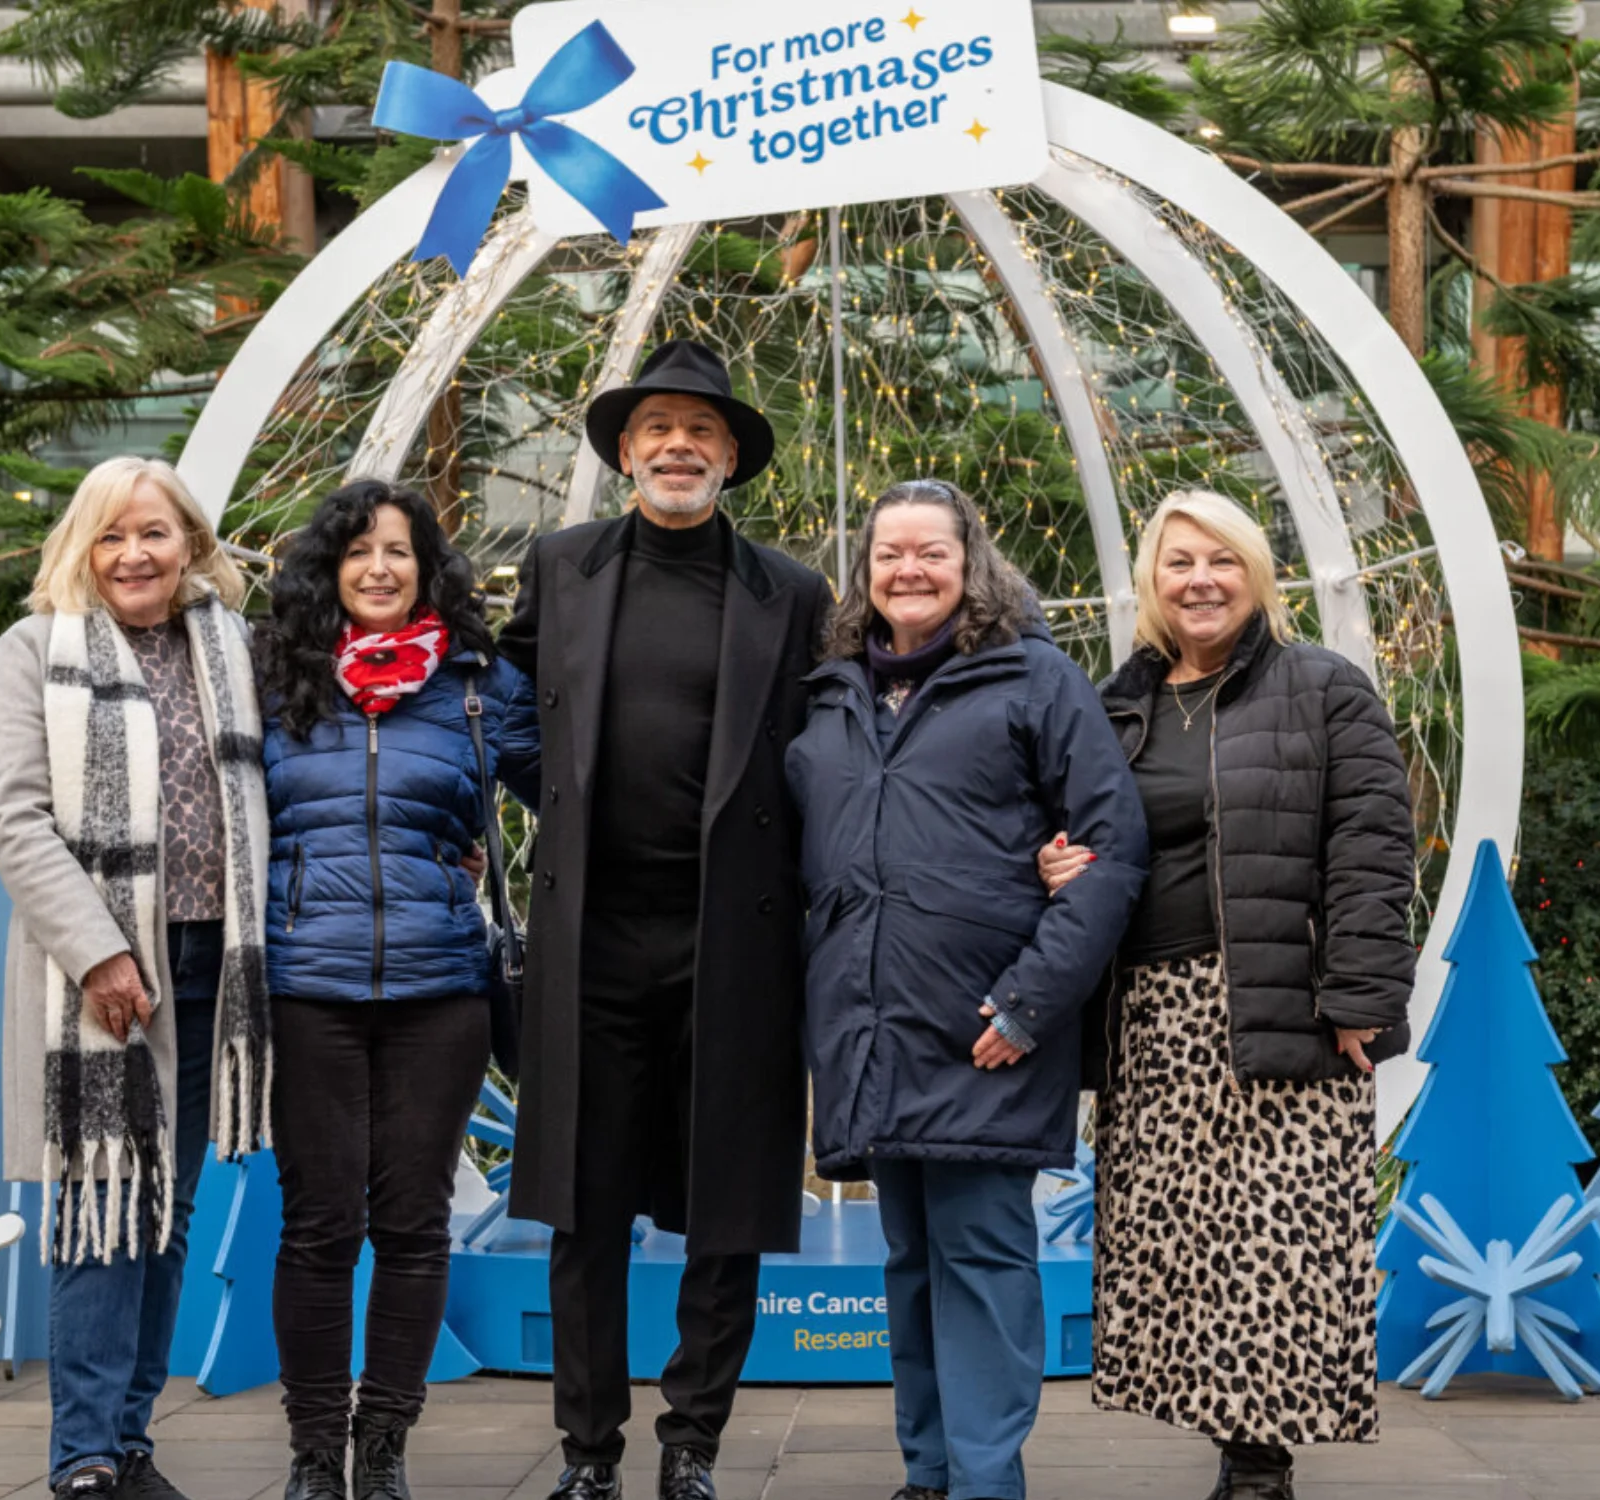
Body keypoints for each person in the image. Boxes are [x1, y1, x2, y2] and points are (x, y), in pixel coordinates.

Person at [496, 338, 834, 1500]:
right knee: (581, 1210)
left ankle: (690, 1445)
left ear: (730, 456)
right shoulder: (562, 565)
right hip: (587, 944)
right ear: (625, 451)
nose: (677, 445)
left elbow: (827, 749)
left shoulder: (789, 593)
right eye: (656, 429)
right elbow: (505, 700)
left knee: (728, 1208)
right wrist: (555, 792)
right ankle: (588, 1455)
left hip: (732, 945)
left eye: (700, 429)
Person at [1038, 490, 1416, 1500]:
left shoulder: (1321, 689)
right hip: (1151, 1018)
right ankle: (1230, 1441)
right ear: (1151, 587)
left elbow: (1372, 855)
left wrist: (1361, 997)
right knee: (1185, 1245)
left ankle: (1259, 1466)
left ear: (1255, 575)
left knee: (1274, 1239)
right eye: (1176, 564)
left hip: (1281, 1004)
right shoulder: (1116, 704)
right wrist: (1057, 863)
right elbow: (1084, 834)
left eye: (1219, 560)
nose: (1197, 579)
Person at [788, 480, 1149, 1500]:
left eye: (929, 553)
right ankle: (930, 1472)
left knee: (981, 1261)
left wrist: (1028, 1002)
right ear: (864, 572)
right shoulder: (832, 692)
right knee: (907, 1262)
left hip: (985, 1028)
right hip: (865, 1028)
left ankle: (987, 1480)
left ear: (970, 563)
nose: (908, 570)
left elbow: (1111, 853)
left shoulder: (1034, 680)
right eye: (887, 553)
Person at [0, 456, 274, 1500]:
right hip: (96, 977)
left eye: (153, 532)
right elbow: (13, 819)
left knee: (168, 1214)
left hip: (213, 970)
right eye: (111, 536)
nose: (134, 554)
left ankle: (132, 1439)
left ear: (190, 542)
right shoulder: (33, 651)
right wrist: (99, 950)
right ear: (81, 548)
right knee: (102, 1211)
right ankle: (85, 1460)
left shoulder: (233, 648)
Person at [255, 480, 539, 1500]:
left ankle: (383, 1450)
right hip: (307, 985)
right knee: (318, 1226)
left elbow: (571, 790)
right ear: (327, 570)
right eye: (358, 552)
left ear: (427, 569)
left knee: (414, 1226)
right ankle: (311, 1455)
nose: (379, 568)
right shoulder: (273, 677)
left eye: (399, 552)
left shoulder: (474, 685)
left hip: (441, 990)